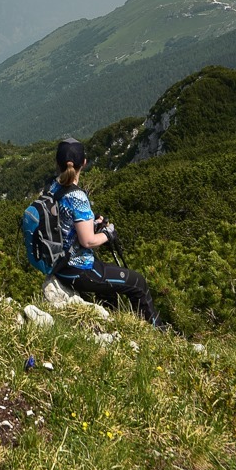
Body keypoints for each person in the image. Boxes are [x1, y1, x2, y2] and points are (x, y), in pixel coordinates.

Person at [49, 138, 167, 329]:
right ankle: (160, 333)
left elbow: (65, 225)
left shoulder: (54, 188)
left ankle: (109, 326)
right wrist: (108, 233)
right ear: (84, 163)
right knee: (137, 282)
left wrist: (93, 224)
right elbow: (87, 241)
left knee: (110, 290)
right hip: (79, 269)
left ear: (57, 163)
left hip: (60, 264)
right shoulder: (77, 197)